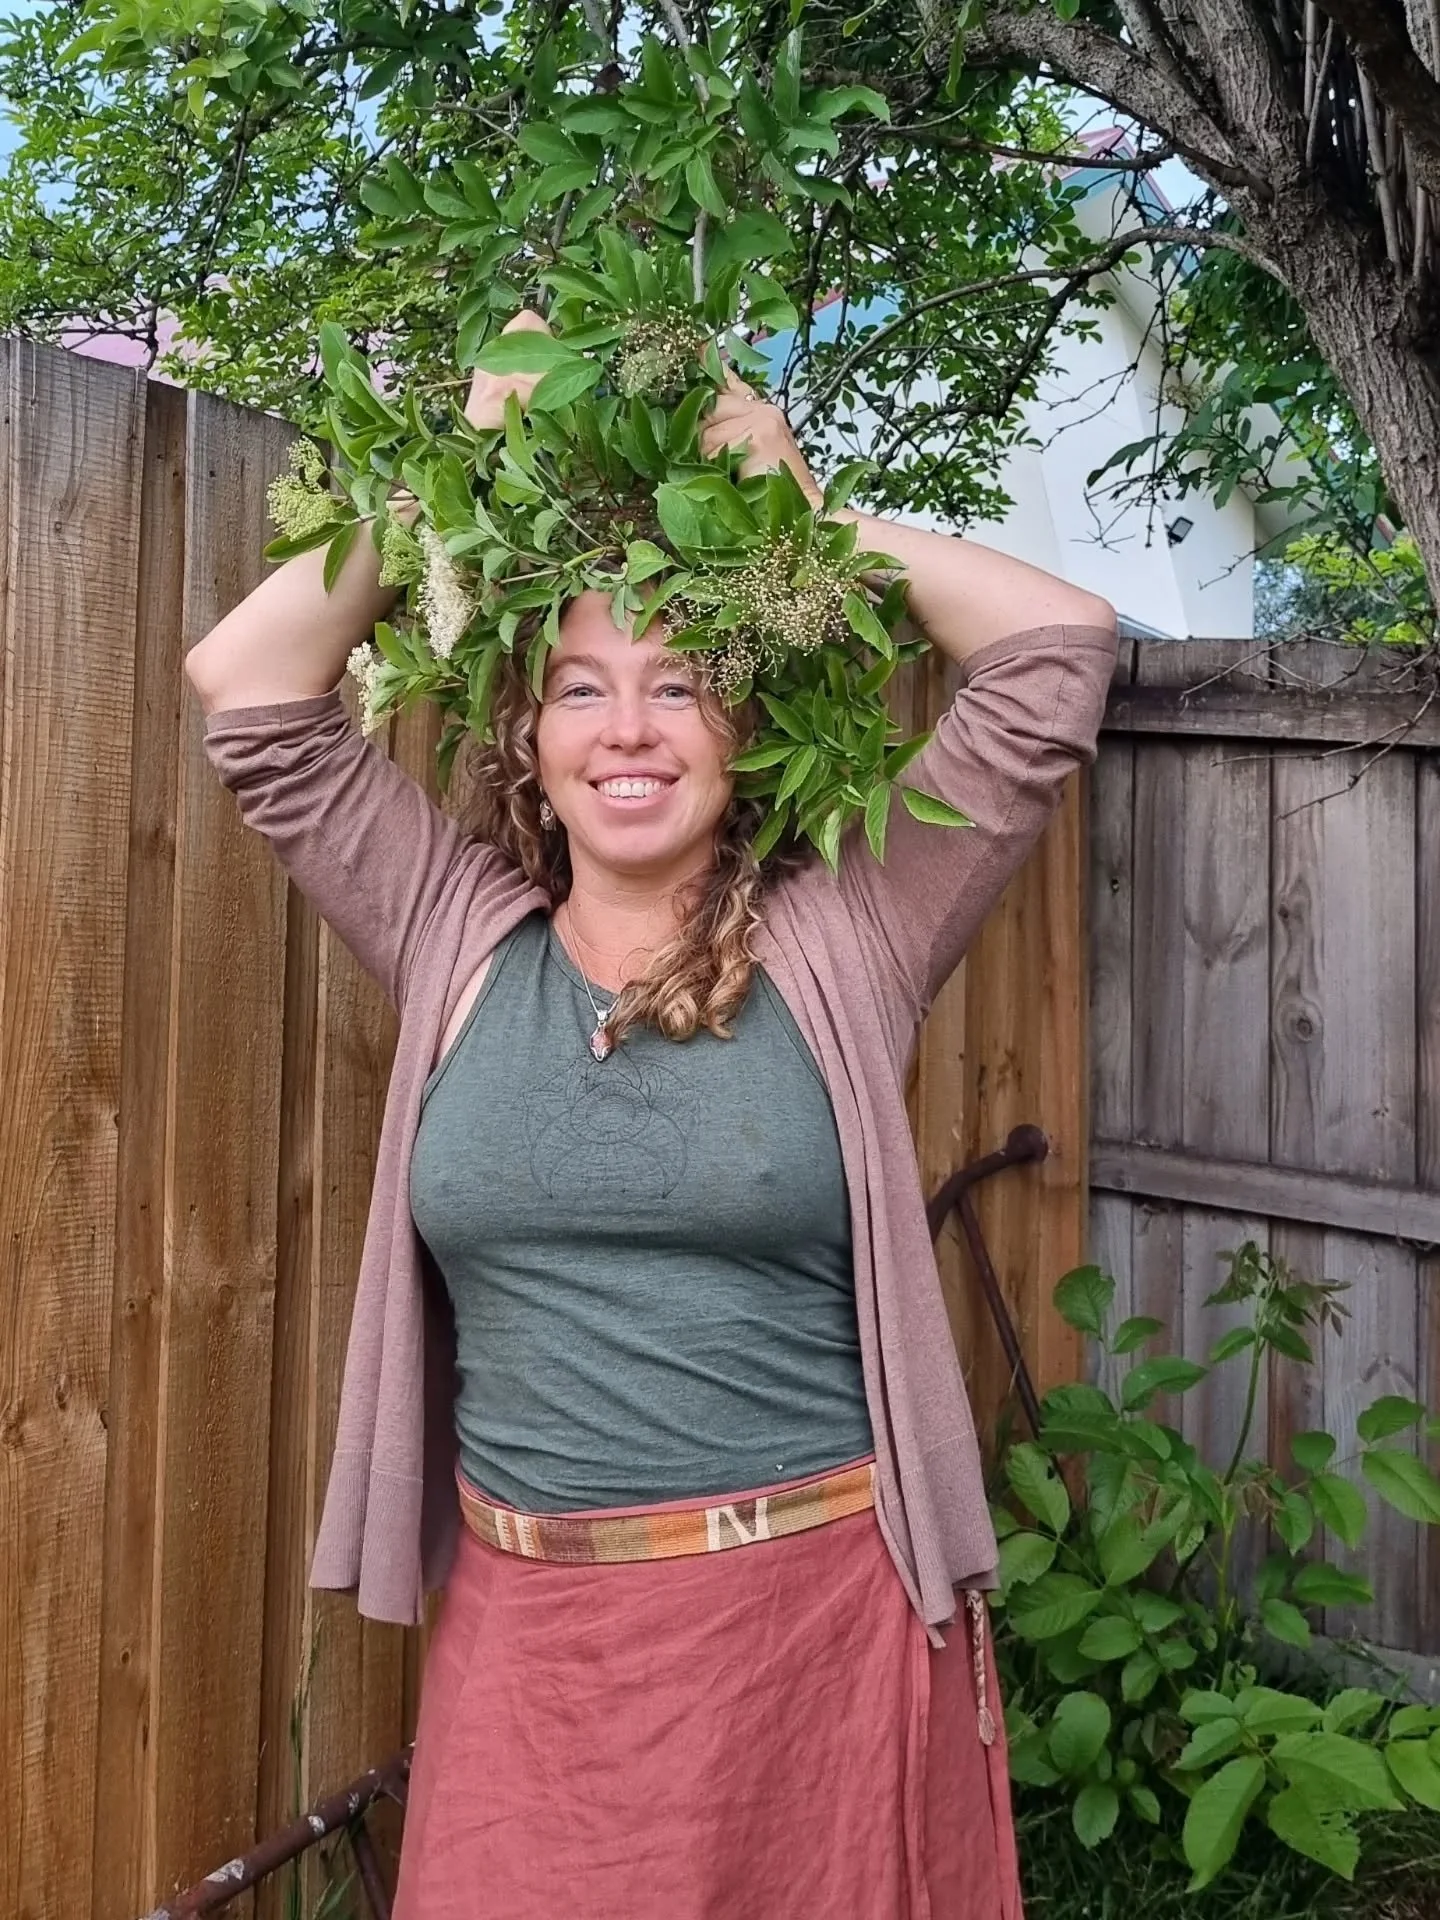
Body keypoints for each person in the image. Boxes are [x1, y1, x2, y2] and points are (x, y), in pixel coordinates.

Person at [188, 306, 1118, 1918]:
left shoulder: (856, 933)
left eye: (680, 685)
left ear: (738, 730)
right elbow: (250, 688)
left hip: (807, 1629)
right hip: (532, 1646)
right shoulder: (446, 933)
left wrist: (798, 526)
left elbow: (1057, 650)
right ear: (527, 742)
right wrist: (449, 483)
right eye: (582, 691)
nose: (629, 730)